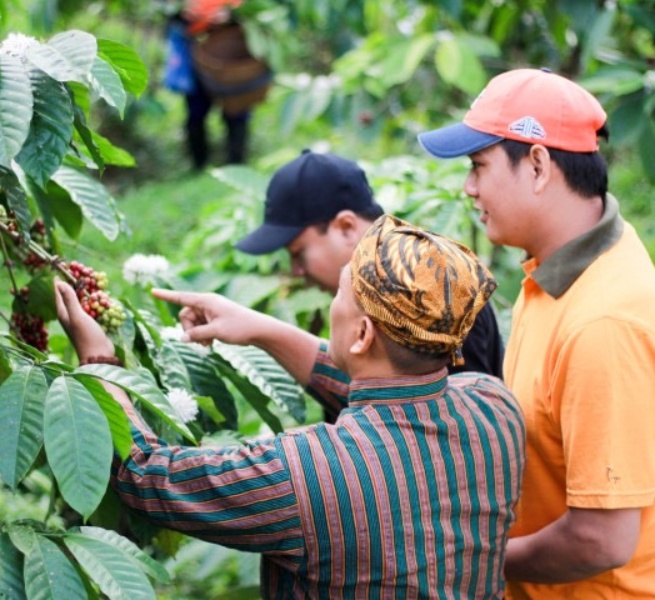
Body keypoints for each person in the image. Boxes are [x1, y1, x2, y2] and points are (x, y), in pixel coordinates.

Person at [55, 214, 525, 598]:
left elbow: (147, 475)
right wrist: (260, 329)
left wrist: (100, 361)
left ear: (361, 334)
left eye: (340, 295)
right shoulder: (493, 406)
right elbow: (386, 389)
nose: (332, 307)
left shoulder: (304, 473)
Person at [418, 67, 655, 598]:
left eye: (478, 166)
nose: (468, 188)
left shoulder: (603, 323)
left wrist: (466, 561)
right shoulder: (554, 272)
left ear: (540, 165)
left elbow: (602, 540)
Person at [235, 149, 505, 378]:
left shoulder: (429, 289)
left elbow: (445, 422)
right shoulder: (370, 295)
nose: (296, 271)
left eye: (298, 253)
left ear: (346, 227)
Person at [165, 0, 261, 169]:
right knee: (196, 113)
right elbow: (170, 14)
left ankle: (237, 161)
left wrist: (229, 15)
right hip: (195, 53)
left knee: (237, 111)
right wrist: (184, 14)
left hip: (231, 51)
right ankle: (199, 164)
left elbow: (252, 12)